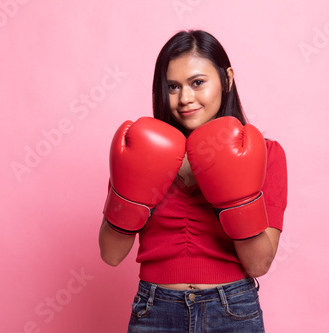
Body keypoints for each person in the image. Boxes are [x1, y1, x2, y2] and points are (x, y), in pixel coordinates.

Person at [99, 30, 288, 332]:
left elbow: (258, 265)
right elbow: (110, 254)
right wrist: (131, 194)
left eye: (197, 82)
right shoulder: (140, 149)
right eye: (172, 86)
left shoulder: (266, 154)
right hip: (155, 309)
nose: (185, 98)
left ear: (227, 79)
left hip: (232, 309)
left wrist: (233, 193)